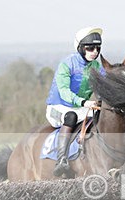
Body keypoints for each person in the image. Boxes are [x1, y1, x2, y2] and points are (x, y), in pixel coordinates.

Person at [45, 26, 105, 177]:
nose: (95, 52)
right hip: (58, 107)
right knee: (70, 116)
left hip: (81, 107)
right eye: (90, 48)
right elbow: (64, 92)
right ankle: (61, 160)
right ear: (80, 48)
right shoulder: (67, 64)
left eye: (97, 48)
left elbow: (105, 84)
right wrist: (84, 102)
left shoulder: (96, 66)